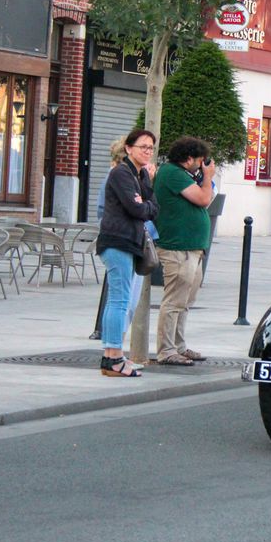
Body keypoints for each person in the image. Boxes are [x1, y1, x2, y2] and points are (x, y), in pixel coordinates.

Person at [96, 129, 159, 377]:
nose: (147, 151)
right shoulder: (121, 173)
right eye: (143, 146)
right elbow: (138, 208)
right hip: (117, 242)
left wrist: (147, 193)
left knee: (122, 301)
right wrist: (147, 206)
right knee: (119, 301)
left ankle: (113, 357)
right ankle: (112, 357)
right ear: (129, 149)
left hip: (127, 243)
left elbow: (149, 204)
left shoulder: (136, 175)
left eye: (151, 148)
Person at [152, 136, 215, 367]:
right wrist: (208, 178)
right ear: (188, 159)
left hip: (192, 248)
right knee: (174, 300)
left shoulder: (182, 174)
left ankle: (178, 345)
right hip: (178, 248)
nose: (202, 164)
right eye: (200, 160)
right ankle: (166, 350)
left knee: (185, 300)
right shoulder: (172, 173)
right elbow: (203, 198)